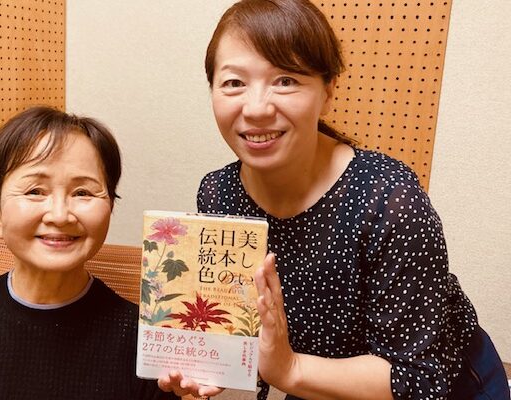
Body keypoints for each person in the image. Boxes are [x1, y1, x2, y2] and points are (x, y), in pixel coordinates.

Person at [192, 0, 510, 399]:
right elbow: (242, 322)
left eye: (286, 80)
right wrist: (207, 365)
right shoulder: (218, 194)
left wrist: (289, 370)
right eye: (234, 83)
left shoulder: (388, 199)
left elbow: (419, 379)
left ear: (328, 90)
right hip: (313, 378)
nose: (256, 108)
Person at [0, 106, 182, 399]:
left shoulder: (145, 343)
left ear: (110, 207)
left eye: (83, 192)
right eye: (35, 191)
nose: (60, 215)